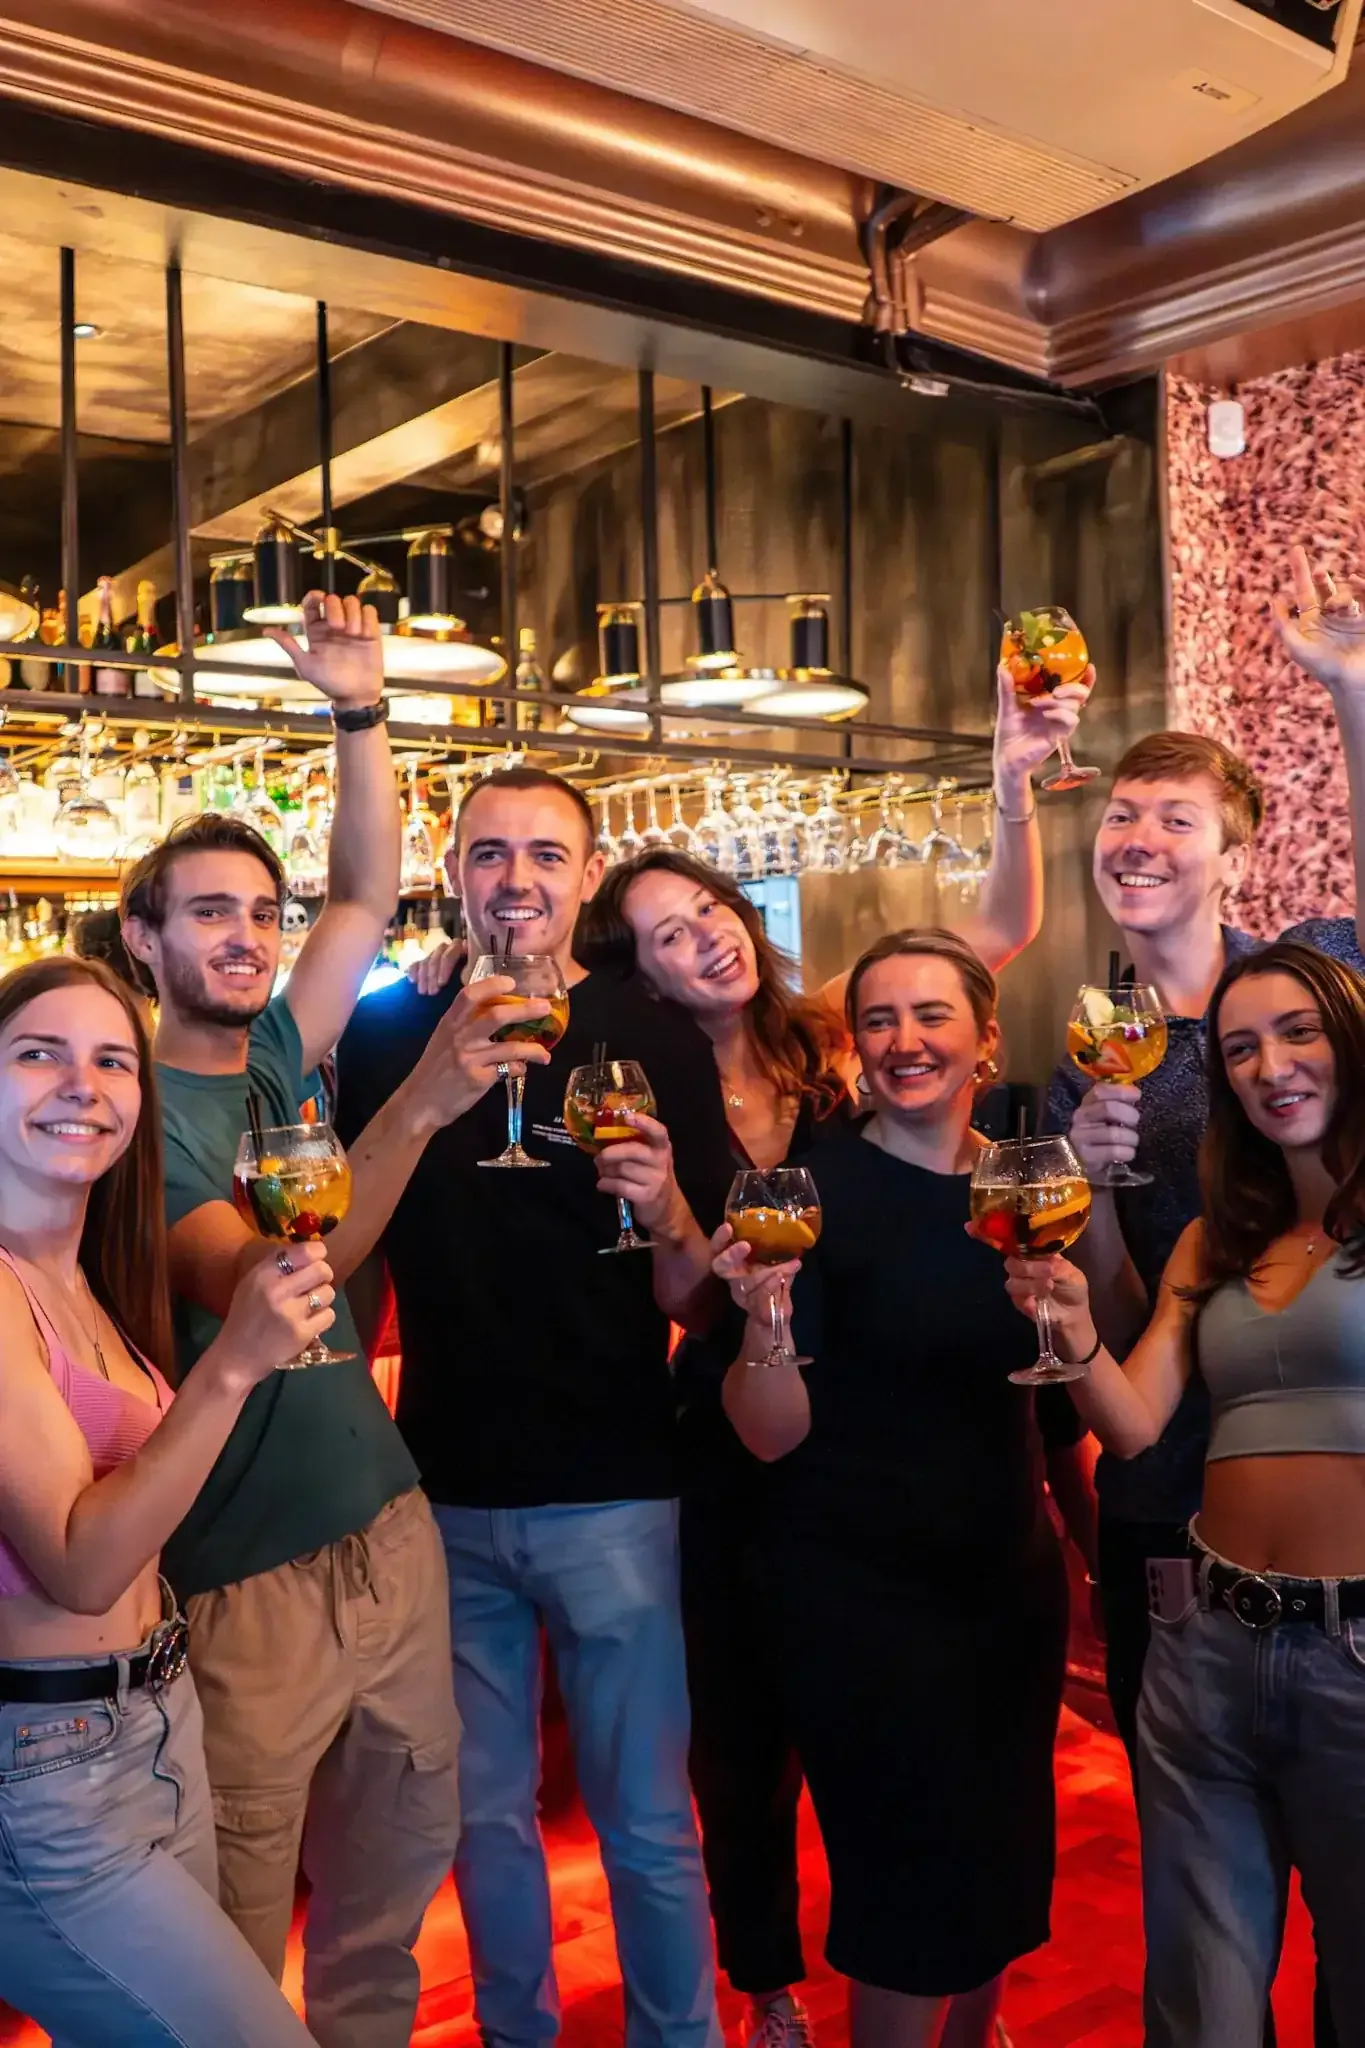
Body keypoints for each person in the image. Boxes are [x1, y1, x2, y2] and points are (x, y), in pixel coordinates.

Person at [570, 665, 1089, 2048]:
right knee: (786, 1779)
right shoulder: (692, 1099)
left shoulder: (880, 1084)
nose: (702, 945)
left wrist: (1011, 782)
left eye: (710, 918)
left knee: (983, 1870)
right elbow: (715, 1327)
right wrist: (720, 1269)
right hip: (810, 1496)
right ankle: (770, 1985)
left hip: (978, 1543)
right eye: (664, 937)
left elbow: (977, 936)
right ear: (640, 972)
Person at [119, 591, 516, 2048]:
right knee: (232, 1933)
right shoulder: (127, 1117)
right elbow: (280, 1298)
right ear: (142, 936)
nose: (246, 936)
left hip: (387, 1530)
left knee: (385, 1913)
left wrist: (360, 708)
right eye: (208, 913)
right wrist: (414, 1112)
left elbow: (362, 890)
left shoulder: (283, 1044)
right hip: (243, 1581)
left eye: (257, 915)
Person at [335, 764, 737, 2048]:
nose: (518, 880)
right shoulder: (392, 1027)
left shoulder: (653, 1029)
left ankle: (680, 2037)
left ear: (586, 872)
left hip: (619, 1484)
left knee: (647, 1816)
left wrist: (670, 1202)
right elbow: (347, 1249)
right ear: (453, 870)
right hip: (442, 1489)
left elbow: (699, 1297)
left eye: (546, 855)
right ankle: (521, 2033)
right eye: (491, 853)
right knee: (484, 1812)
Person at [999, 940, 1365, 2046]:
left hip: (1356, 1655)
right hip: (1207, 1646)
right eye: (1242, 1047)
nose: (1269, 1065)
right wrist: (1066, 1325)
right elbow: (1136, 1422)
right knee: (1200, 2005)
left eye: (1297, 1032)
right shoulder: (1216, 1238)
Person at [711, 929, 1070, 2048]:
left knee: (1002, 1863)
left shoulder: (1024, 1176)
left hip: (1005, 1580)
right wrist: (764, 1321)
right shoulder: (817, 1189)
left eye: (932, 1016)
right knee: (913, 1883)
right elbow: (768, 1435)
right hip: (862, 1601)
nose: (906, 1040)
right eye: (880, 1019)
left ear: (986, 1040)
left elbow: (1072, 1366)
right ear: (854, 1043)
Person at [0, 955, 331, 2046]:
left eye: (110, 1059)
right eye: (37, 1053)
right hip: (46, 1770)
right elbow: (82, 1562)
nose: (81, 1083)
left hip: (153, 1718)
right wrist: (230, 1365)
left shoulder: (78, 1267)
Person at [1043, 715, 1361, 1765]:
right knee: (1187, 1825)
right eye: (1122, 812)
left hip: (1333, 1471)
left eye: (1177, 818)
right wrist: (1084, 1194)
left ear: (1236, 857)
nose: (1138, 835)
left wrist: (1348, 690)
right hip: (1168, 1492)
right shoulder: (1086, 1063)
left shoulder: (1304, 980)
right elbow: (1133, 1324)